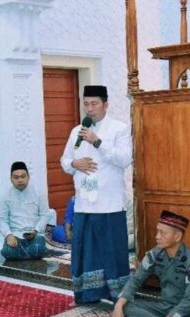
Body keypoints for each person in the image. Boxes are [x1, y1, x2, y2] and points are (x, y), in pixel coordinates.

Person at [59, 85, 133, 304]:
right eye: (86, 104)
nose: (89, 109)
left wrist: (97, 141)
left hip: (109, 205)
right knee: (86, 252)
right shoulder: (76, 132)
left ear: (105, 104)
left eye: (94, 104)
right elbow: (64, 161)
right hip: (84, 204)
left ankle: (116, 296)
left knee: (111, 252)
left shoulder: (119, 129)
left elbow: (124, 159)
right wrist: (75, 163)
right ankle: (88, 295)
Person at [112, 210, 190, 317]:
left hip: (184, 312)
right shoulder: (155, 253)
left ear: (177, 236)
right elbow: (136, 280)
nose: (157, 236)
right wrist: (119, 306)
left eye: (162, 233)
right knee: (122, 306)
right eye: (157, 232)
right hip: (162, 306)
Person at [0, 161, 50, 260]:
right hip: (15, 235)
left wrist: (36, 230)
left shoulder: (38, 194)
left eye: (23, 176)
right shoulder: (5, 196)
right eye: (16, 177)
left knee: (38, 249)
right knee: (6, 252)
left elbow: (45, 215)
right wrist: (8, 235)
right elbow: (1, 219)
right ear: (11, 179)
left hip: (34, 234)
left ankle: (21, 253)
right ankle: (29, 254)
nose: (20, 180)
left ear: (28, 177)